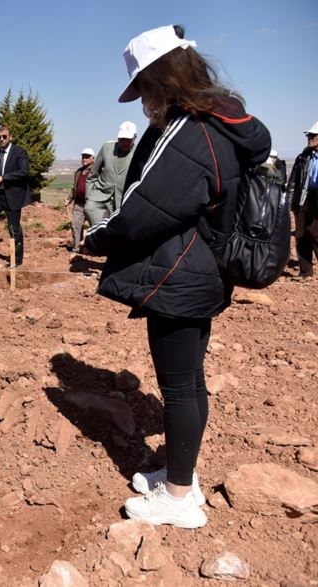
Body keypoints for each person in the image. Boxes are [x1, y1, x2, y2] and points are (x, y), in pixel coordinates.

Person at [82, 25, 271, 528]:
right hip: (201, 269)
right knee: (190, 381)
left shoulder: (190, 130)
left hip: (179, 273)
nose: (144, 101)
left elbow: (145, 211)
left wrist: (94, 239)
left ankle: (180, 497)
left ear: (160, 78)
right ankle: (180, 474)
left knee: (180, 388)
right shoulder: (220, 120)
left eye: (143, 88)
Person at [0, 126, 30, 265]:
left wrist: (3, 178)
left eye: (4, 136)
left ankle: (17, 259)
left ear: (10, 137)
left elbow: (24, 171)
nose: (1, 139)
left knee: (14, 228)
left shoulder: (19, 152)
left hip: (13, 196)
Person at [85, 121, 138, 226]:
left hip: (123, 200)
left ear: (134, 138)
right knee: (89, 209)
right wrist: (89, 196)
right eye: (121, 139)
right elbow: (93, 175)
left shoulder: (139, 152)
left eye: (128, 139)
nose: (124, 142)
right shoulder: (106, 148)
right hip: (100, 194)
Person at [286, 121, 318, 279]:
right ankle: (305, 272)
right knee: (302, 234)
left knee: (315, 232)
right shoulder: (303, 157)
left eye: (313, 135)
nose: (309, 138)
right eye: (309, 135)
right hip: (304, 198)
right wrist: (291, 203)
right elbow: (292, 182)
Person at [66, 148, 94, 252]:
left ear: (93, 158)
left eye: (87, 157)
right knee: (75, 226)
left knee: (95, 227)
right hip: (79, 204)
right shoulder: (78, 172)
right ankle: (77, 248)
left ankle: (95, 248)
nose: (84, 159)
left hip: (92, 205)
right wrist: (69, 199)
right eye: (83, 156)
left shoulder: (97, 171)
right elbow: (75, 188)